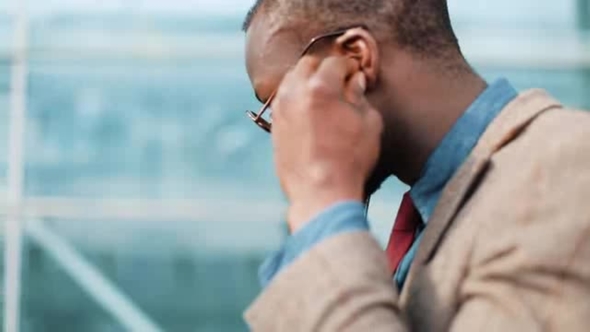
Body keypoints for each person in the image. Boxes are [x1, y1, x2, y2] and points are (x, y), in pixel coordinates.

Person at [241, 0, 590, 331]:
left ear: (356, 62)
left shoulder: (566, 169)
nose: (280, 137)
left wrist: (321, 200)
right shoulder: (437, 214)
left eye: (280, 104)